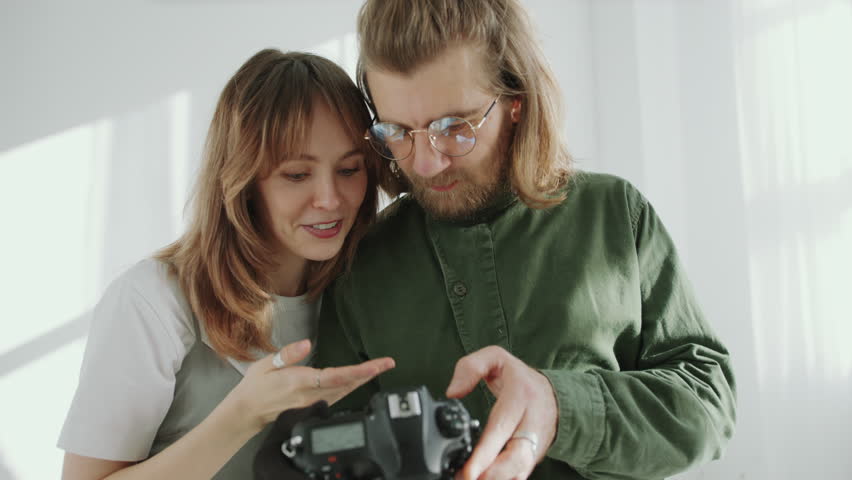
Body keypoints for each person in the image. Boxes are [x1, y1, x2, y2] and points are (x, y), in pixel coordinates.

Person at [309, 1, 738, 479]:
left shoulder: (614, 214)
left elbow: (707, 406)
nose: (426, 163)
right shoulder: (360, 265)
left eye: (454, 128)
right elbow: (334, 451)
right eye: (399, 132)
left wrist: (561, 408)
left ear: (516, 101)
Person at [58, 49, 395, 480]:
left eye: (350, 169)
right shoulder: (151, 302)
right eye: (296, 175)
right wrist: (242, 415)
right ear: (243, 180)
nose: (330, 199)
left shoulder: (358, 289)